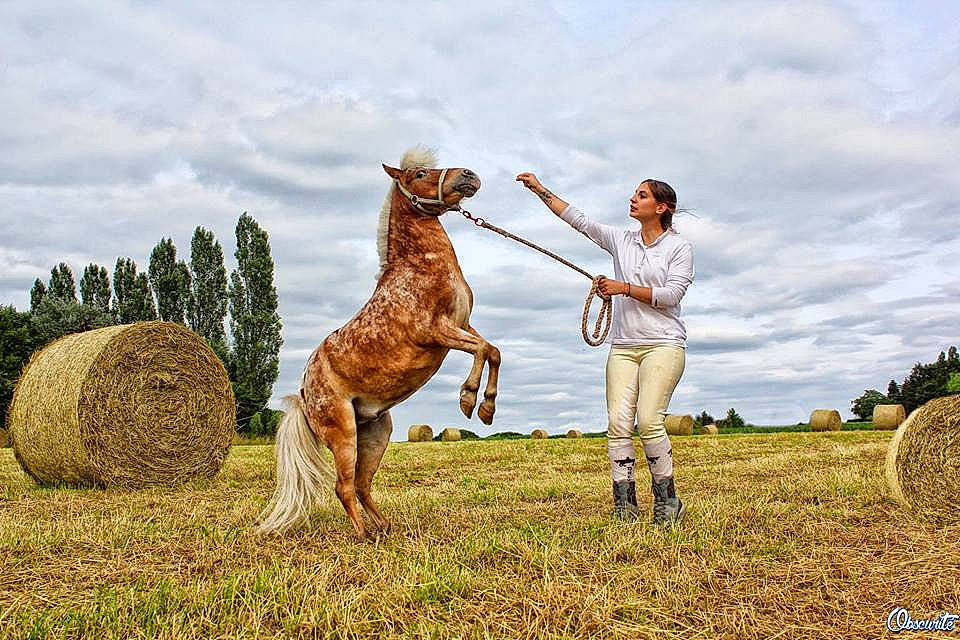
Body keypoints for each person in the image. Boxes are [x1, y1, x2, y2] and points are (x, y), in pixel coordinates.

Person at [516, 172, 694, 527]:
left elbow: (671, 296)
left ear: (661, 208)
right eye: (634, 194)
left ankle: (667, 500)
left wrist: (623, 288)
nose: (633, 199)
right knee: (617, 425)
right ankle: (624, 505)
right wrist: (539, 190)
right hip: (624, 347)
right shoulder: (620, 240)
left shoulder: (679, 248)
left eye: (641, 196)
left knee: (648, 420)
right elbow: (578, 220)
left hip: (664, 344)